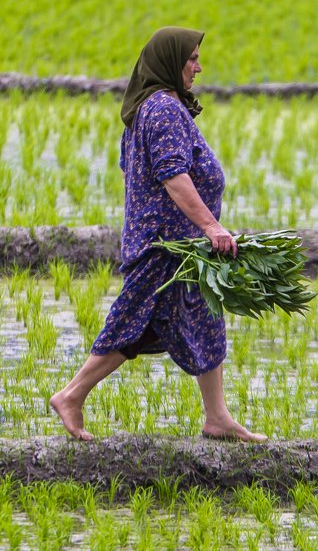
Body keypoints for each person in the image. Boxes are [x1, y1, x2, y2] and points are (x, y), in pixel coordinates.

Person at [49, 27, 266, 443]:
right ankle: (71, 394)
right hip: (164, 246)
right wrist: (211, 226)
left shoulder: (151, 108)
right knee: (132, 324)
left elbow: (136, 169)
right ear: (169, 61)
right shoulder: (163, 109)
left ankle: (217, 417)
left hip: (178, 245)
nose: (199, 67)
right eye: (192, 58)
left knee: (204, 319)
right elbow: (172, 175)